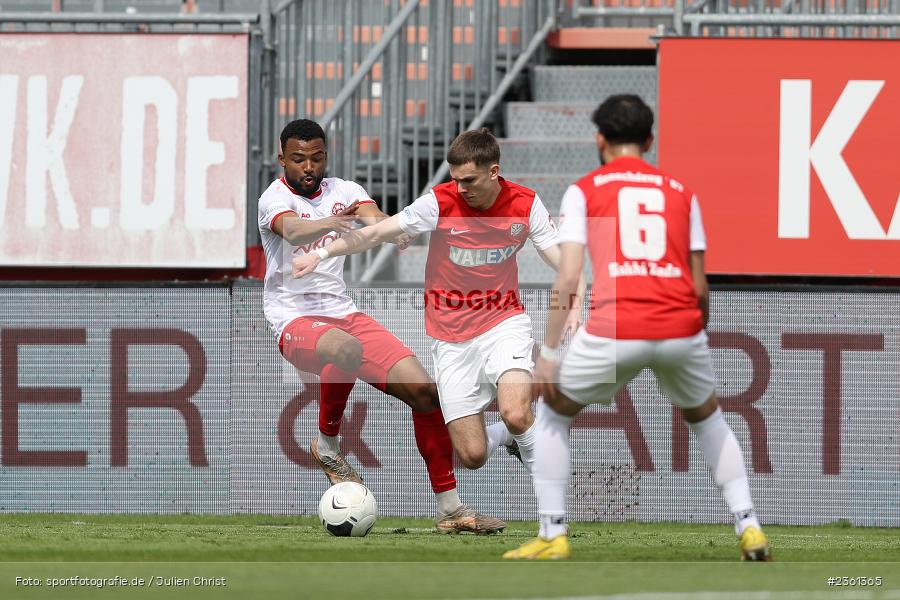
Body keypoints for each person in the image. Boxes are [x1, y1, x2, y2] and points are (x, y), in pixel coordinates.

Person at [501, 95, 771, 561]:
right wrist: (692, 334)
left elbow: (568, 278)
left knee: (551, 416)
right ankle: (748, 525)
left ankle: (553, 535)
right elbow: (701, 285)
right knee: (708, 420)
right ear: (649, 140)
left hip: (616, 325)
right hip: (679, 323)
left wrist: (547, 352)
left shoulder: (585, 190)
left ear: (599, 139)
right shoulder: (683, 193)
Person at [293, 128, 583, 482]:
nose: (461, 187)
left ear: (494, 172)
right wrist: (322, 253)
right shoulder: (439, 203)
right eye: (455, 179)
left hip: (503, 322)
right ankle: (507, 436)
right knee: (472, 455)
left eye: (469, 179)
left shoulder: (525, 204)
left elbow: (561, 259)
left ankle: (551, 517)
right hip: (450, 338)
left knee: (516, 412)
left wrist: (578, 293)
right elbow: (374, 234)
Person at [258, 119, 504, 534]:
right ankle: (328, 444)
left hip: (344, 312)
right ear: (282, 158)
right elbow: (293, 228)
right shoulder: (273, 198)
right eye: (298, 159)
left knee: (426, 394)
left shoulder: (346, 191)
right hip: (292, 318)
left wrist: (392, 229)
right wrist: (331, 225)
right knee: (346, 349)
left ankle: (451, 510)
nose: (308, 167)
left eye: (317, 158)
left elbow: (372, 215)